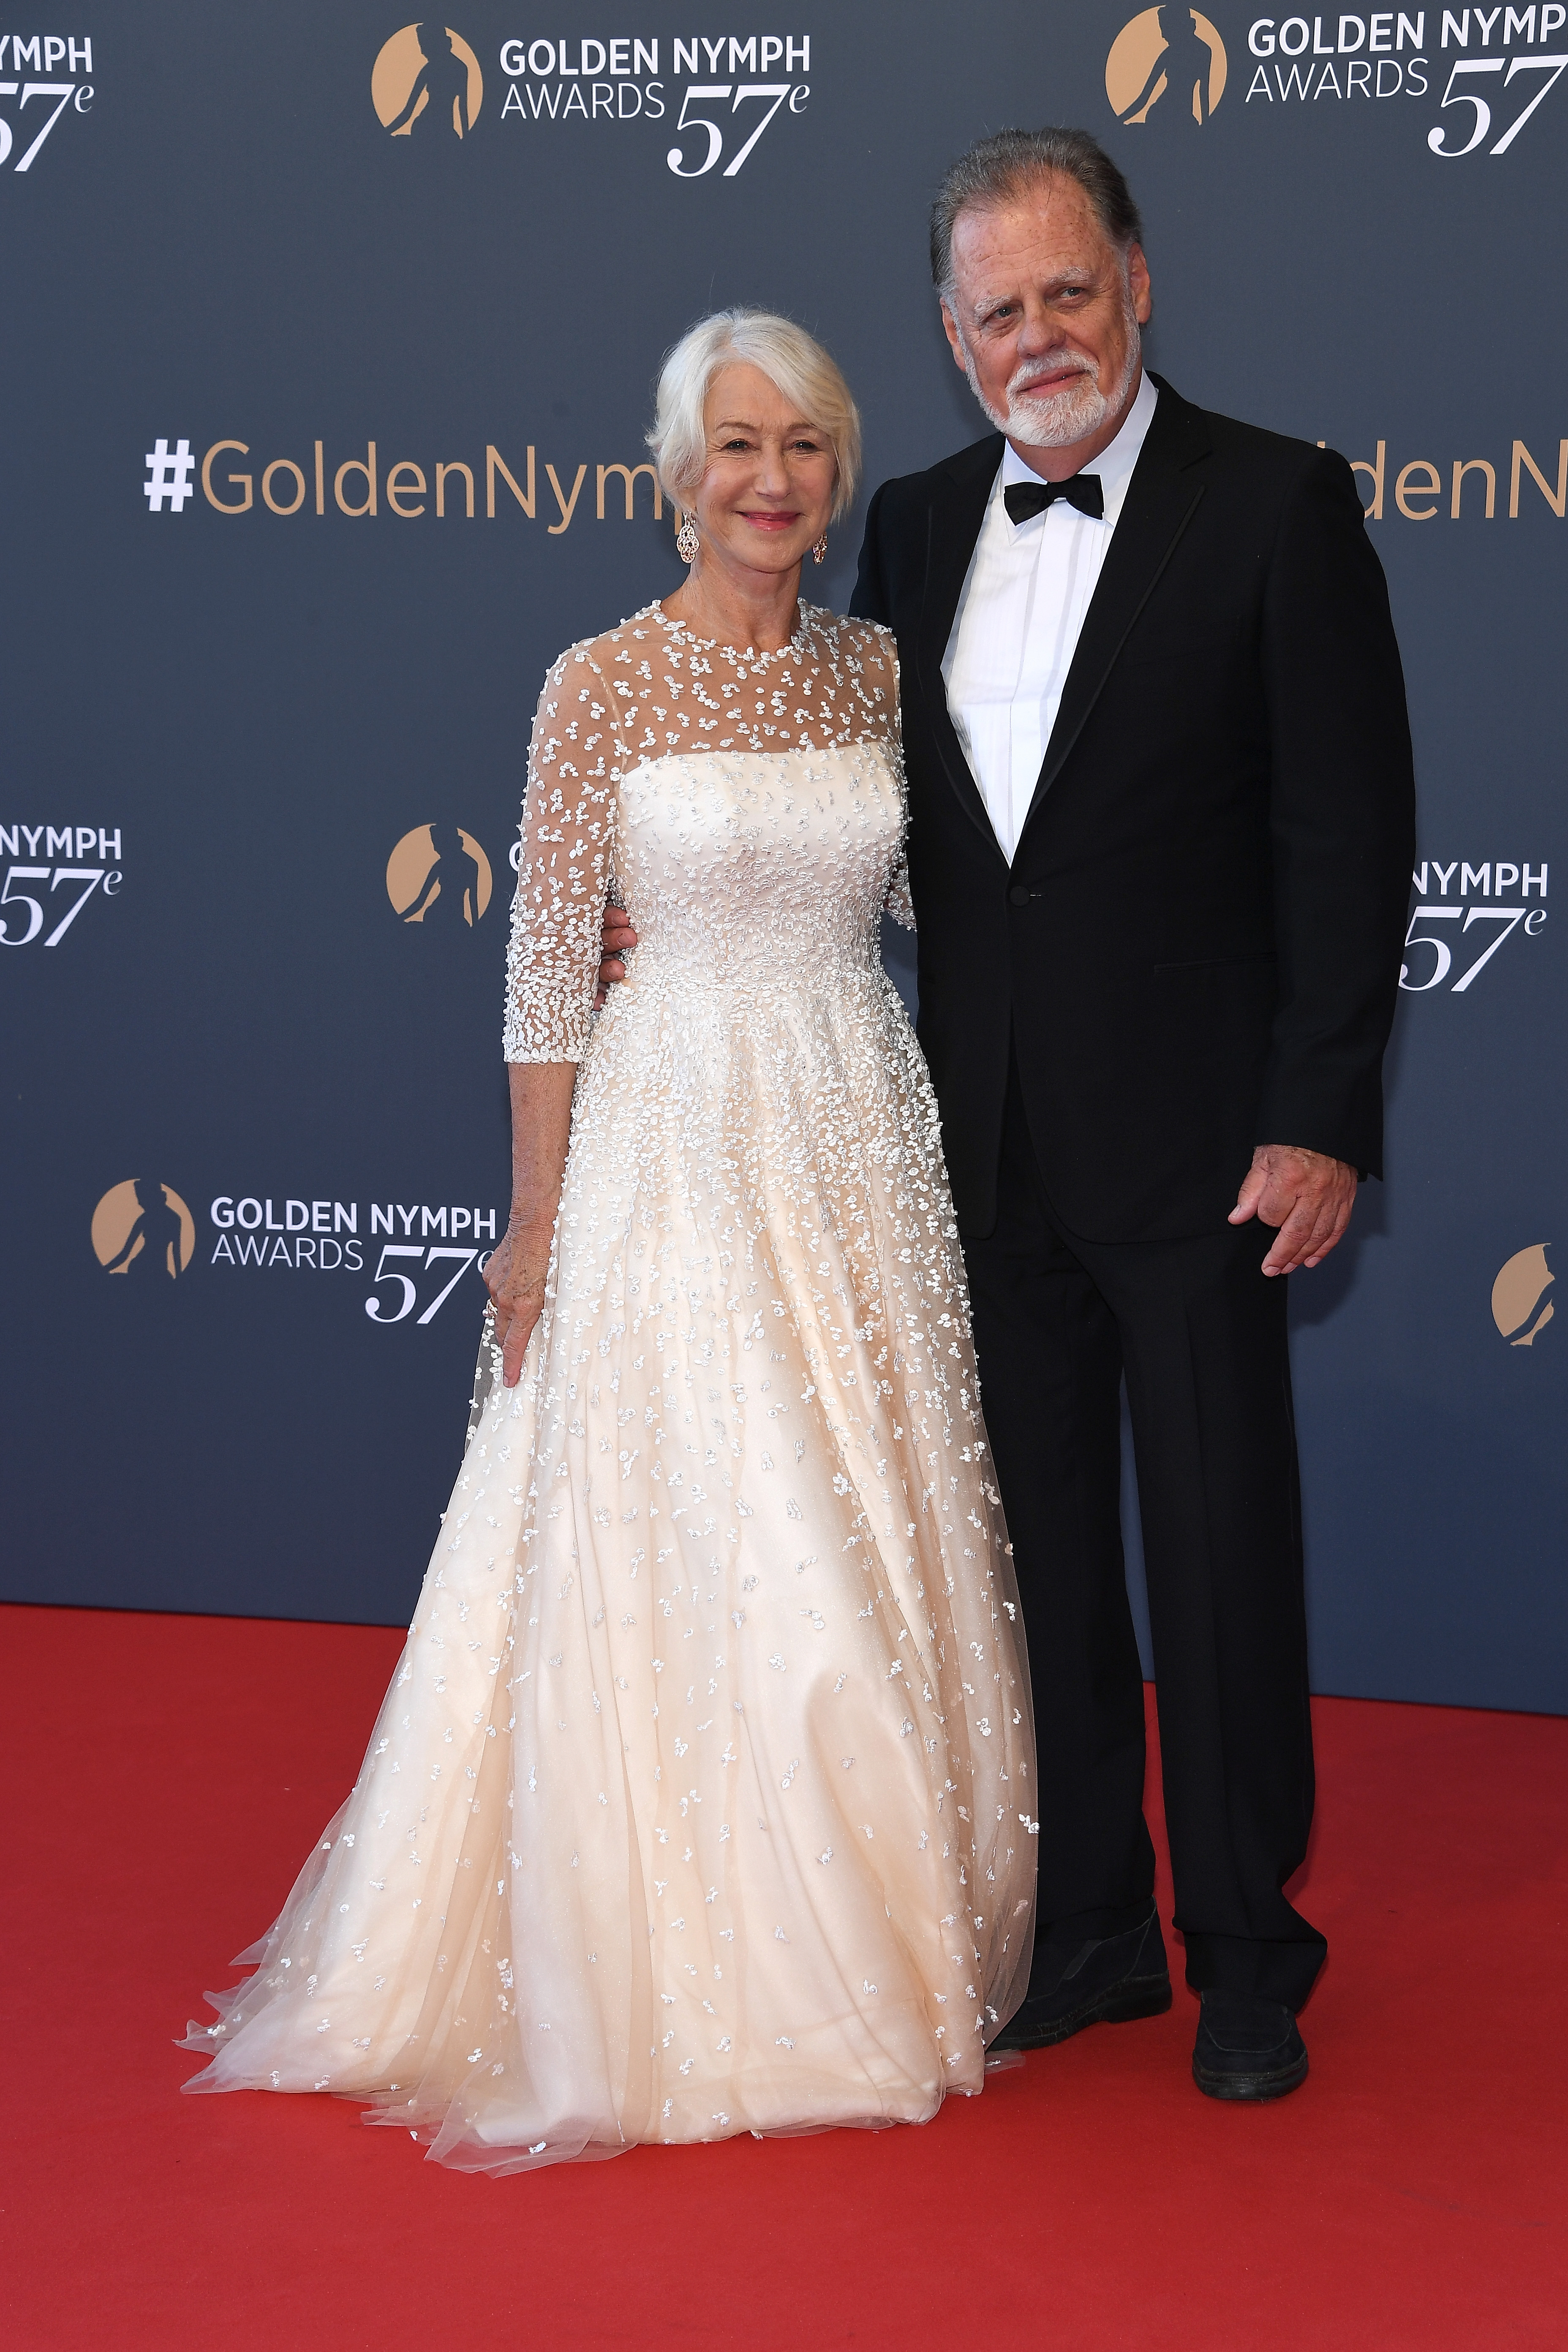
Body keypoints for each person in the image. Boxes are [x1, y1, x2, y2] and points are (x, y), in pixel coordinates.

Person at [605, 129, 1414, 2102]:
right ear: (951, 338)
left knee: (1218, 1548)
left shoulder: (1279, 506)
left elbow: (1349, 834)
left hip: (1208, 1143)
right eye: (996, 310)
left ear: (1137, 282)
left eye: (1067, 292)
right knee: (1035, 1549)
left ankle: (1245, 1947)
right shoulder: (912, 518)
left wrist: (1317, 1115)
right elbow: (865, 810)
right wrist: (667, 900)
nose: (1035, 334)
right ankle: (1089, 1934)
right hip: (969, 1143)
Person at [182, 310, 1036, 2173]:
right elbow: (543, 971)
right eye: (736, 444)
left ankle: (862, 1936)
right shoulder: (598, 686)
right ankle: (732, 1975)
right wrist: (529, 1228)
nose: (772, 480)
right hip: (668, 1143)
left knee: (860, 1503)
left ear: (835, 470)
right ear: (676, 472)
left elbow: (928, 890)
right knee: (735, 1521)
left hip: (855, 1129)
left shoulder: (876, 671)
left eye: (804, 445)